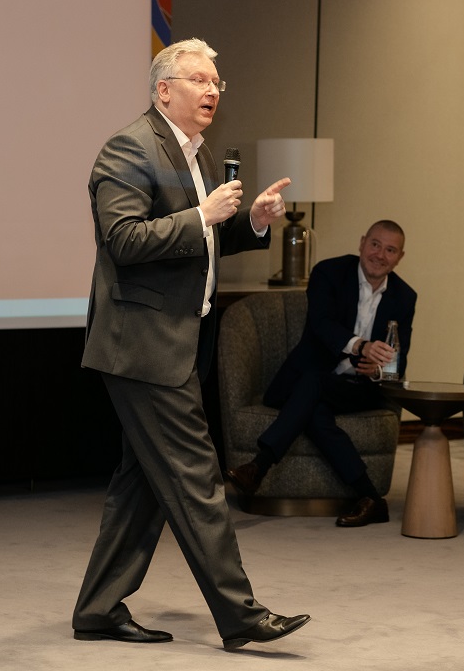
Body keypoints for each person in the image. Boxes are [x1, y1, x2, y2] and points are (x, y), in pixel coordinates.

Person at [72, 38, 310, 651]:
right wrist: (202, 215)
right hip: (142, 344)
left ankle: (98, 609)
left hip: (176, 342)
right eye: (199, 81)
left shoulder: (193, 152)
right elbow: (123, 239)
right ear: (163, 90)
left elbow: (199, 243)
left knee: (143, 484)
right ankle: (241, 616)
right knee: (197, 476)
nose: (212, 92)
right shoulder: (129, 148)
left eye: (216, 83)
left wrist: (251, 222)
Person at [226, 220, 416, 527]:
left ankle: (259, 466)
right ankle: (371, 497)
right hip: (312, 377)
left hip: (358, 388)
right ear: (362, 243)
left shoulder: (405, 297)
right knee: (314, 406)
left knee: (312, 389)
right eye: (375, 244)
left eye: (390, 250)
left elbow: (399, 358)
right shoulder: (329, 273)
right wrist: (361, 346)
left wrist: (379, 369)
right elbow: (321, 325)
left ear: (400, 257)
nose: (380, 255)